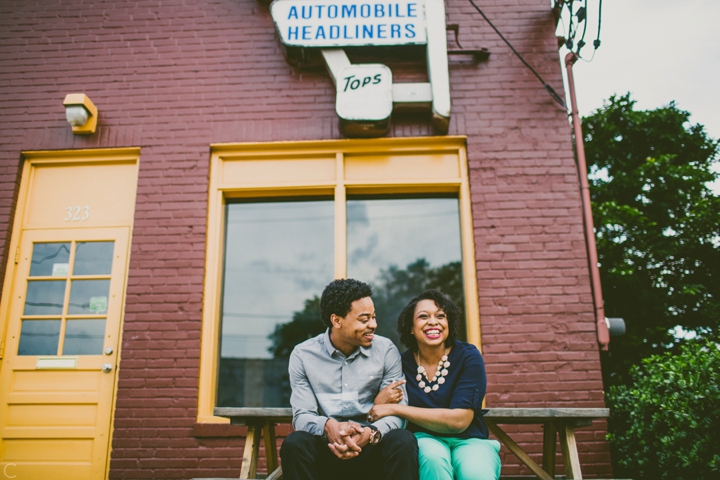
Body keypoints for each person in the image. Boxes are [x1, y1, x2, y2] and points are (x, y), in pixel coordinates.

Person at [280, 278, 419, 480]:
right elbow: (302, 415)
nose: (374, 325)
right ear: (336, 320)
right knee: (295, 444)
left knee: (403, 440)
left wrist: (370, 432)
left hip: (372, 448)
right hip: (327, 449)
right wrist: (329, 427)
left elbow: (398, 413)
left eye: (374, 317)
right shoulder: (303, 355)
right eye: (364, 319)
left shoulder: (386, 350)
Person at [367, 289, 502, 480]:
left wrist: (396, 409)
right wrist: (381, 402)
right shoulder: (401, 363)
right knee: (433, 461)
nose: (433, 322)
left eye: (440, 316)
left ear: (448, 324)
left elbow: (459, 420)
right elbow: (380, 408)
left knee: (476, 473)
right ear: (411, 328)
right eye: (423, 316)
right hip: (425, 438)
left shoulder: (468, 356)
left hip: (470, 440)